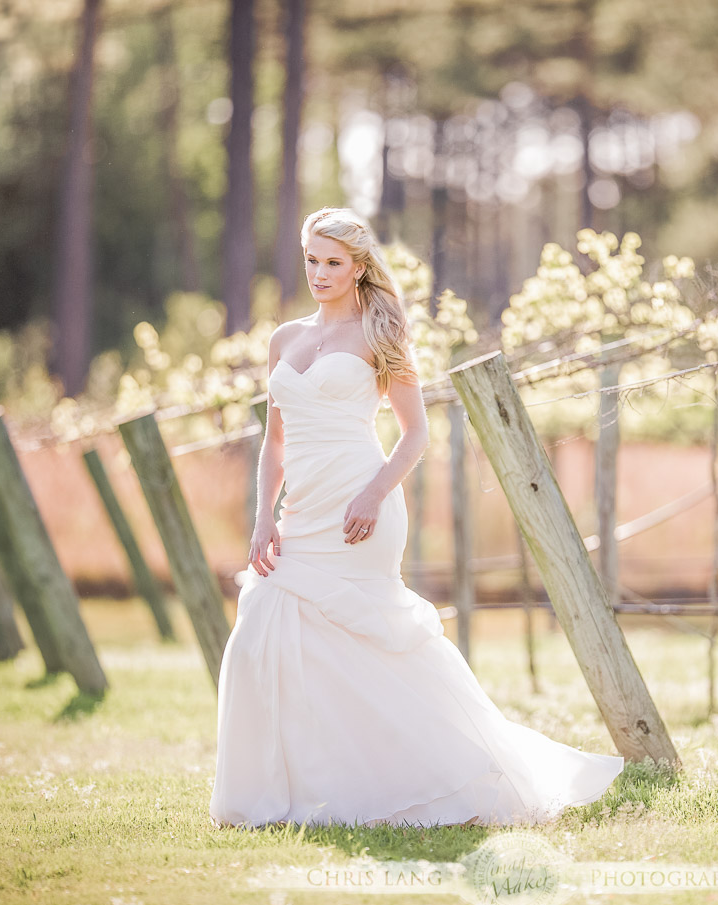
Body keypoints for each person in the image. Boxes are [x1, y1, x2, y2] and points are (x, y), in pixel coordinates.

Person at [208, 207, 625, 829]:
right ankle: (284, 793)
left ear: (358, 268)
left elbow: (415, 435)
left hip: (360, 499)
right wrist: (264, 517)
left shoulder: (382, 334)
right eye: (312, 261)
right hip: (300, 508)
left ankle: (444, 772)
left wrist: (373, 493)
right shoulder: (283, 340)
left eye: (333, 263)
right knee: (262, 632)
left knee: (370, 638)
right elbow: (274, 443)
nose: (320, 273)